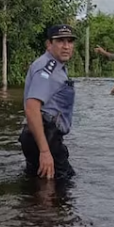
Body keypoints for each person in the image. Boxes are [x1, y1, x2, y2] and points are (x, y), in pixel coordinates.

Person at [19, 24, 77, 180]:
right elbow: (32, 108)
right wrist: (45, 152)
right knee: (61, 189)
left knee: (40, 187)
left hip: (42, 137)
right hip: (44, 137)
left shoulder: (55, 66)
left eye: (70, 41)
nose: (66, 46)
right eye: (60, 41)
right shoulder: (47, 69)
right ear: (49, 44)